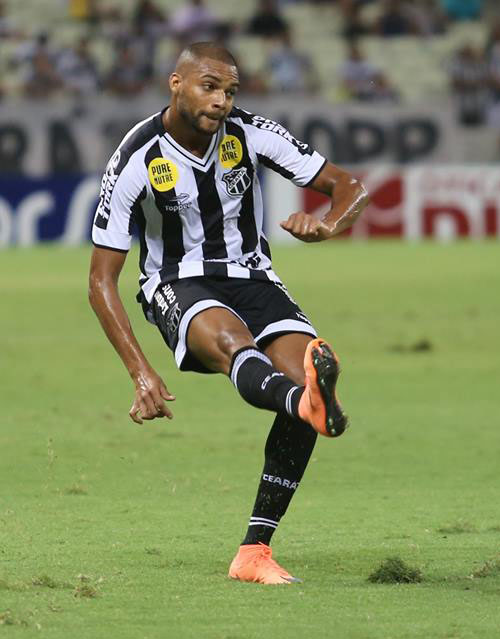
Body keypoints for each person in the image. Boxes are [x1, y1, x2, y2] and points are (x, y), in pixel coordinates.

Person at [87, 42, 369, 585]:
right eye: (209, 87)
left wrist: (329, 224)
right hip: (176, 282)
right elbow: (101, 282)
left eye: (230, 90)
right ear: (177, 83)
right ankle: (307, 403)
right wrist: (140, 371)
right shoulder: (137, 155)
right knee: (236, 344)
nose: (221, 101)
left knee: (304, 366)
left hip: (253, 277)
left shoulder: (252, 132)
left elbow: (348, 187)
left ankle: (254, 553)